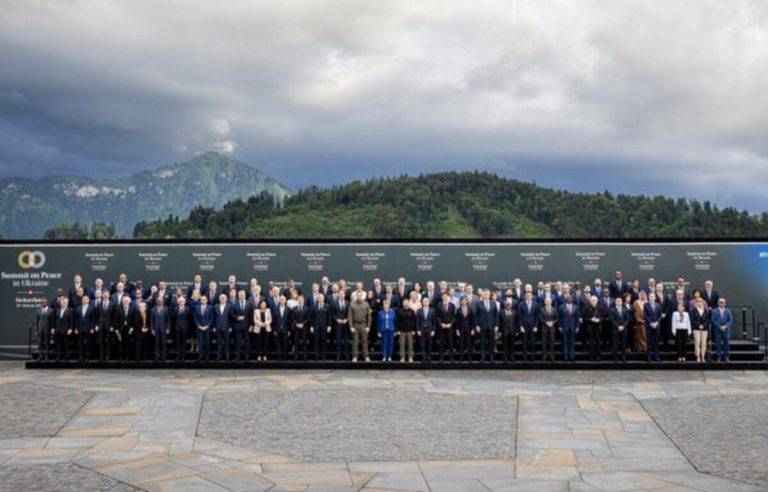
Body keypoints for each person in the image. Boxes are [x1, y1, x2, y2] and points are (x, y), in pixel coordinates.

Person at [348, 292, 372, 362]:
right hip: (355, 325)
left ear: (362, 297)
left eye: (360, 296)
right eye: (358, 296)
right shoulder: (352, 305)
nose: (359, 297)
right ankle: (355, 356)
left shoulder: (366, 304)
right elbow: (350, 316)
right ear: (356, 296)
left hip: (364, 325)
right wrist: (351, 326)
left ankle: (366, 356)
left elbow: (369, 316)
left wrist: (368, 326)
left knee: (365, 342)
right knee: (355, 342)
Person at [582, 296, 604, 361]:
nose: (594, 301)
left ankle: (598, 356)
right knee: (591, 343)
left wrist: (599, 319)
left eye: (595, 300)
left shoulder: (600, 308)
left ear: (597, 301)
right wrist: (590, 319)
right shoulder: (586, 308)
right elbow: (584, 317)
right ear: (590, 301)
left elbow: (603, 317)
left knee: (598, 343)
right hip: (590, 327)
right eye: (592, 300)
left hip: (598, 327)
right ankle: (591, 356)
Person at [517, 292, 538, 362]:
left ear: (532, 297)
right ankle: (524, 357)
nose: (528, 297)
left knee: (533, 342)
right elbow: (519, 316)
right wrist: (521, 326)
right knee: (524, 342)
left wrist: (536, 326)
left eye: (530, 296)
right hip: (524, 326)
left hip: (533, 326)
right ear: (525, 297)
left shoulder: (536, 304)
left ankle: (532, 357)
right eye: (527, 296)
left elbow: (537, 316)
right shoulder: (521, 304)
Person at [711, 297, 732, 363]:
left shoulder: (728, 311)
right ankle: (718, 357)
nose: (721, 303)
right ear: (718, 303)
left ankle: (726, 357)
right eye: (720, 302)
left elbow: (730, 320)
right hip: (717, 330)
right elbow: (713, 320)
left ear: (725, 303)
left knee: (726, 344)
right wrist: (720, 327)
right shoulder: (714, 311)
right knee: (718, 344)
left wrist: (725, 326)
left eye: (723, 302)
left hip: (726, 330)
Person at [232, 290, 251, 362]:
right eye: (240, 295)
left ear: (245, 295)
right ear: (238, 296)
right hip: (238, 326)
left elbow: (251, 315)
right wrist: (237, 317)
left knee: (247, 342)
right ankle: (238, 357)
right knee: (238, 342)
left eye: (243, 295)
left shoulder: (249, 303)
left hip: (247, 326)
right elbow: (231, 314)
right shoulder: (234, 304)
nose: (242, 296)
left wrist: (251, 325)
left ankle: (247, 357)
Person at [643, 292, 663, 362]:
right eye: (650, 297)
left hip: (657, 325)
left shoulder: (659, 305)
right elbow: (645, 315)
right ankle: (649, 356)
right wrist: (651, 323)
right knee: (649, 342)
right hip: (649, 325)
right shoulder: (645, 305)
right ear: (649, 297)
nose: (652, 298)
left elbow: (660, 315)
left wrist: (657, 323)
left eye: (653, 297)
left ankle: (656, 356)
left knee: (656, 342)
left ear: (655, 297)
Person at [558, 297, 579, 363]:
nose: (569, 299)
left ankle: (572, 356)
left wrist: (577, 327)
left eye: (570, 298)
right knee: (565, 342)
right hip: (564, 326)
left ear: (572, 300)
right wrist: (560, 326)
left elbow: (577, 318)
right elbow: (559, 317)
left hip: (573, 326)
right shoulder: (561, 306)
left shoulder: (576, 307)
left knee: (572, 342)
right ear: (566, 300)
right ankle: (565, 356)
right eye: (568, 298)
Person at [609, 297, 630, 363]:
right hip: (615, 329)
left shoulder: (625, 309)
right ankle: (615, 358)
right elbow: (612, 320)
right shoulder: (612, 310)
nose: (619, 302)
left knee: (623, 344)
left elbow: (627, 319)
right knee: (615, 344)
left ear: (622, 302)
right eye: (617, 301)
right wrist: (618, 326)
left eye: (620, 301)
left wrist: (623, 326)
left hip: (624, 329)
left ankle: (623, 357)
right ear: (615, 302)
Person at [436, 293, 456, 362]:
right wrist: (441, 324)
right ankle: (441, 358)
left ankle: (451, 358)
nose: (445, 297)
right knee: (441, 342)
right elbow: (437, 316)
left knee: (450, 342)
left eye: (446, 296)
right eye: (444, 296)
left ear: (448, 297)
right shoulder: (439, 305)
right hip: (441, 326)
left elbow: (454, 316)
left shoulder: (452, 305)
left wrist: (450, 324)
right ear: (442, 297)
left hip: (449, 327)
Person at [115, 295, 135, 362]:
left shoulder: (132, 309)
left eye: (127, 301)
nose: (126, 302)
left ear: (129, 302)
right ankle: (121, 357)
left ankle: (127, 357)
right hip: (121, 328)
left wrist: (132, 328)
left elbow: (134, 320)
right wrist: (116, 329)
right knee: (120, 343)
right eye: (124, 301)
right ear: (122, 301)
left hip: (129, 329)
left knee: (127, 343)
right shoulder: (118, 309)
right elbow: (116, 320)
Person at [311, 293, 330, 360]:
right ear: (317, 299)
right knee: (316, 341)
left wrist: (329, 326)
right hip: (316, 326)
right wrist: (311, 326)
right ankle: (317, 356)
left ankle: (324, 356)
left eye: (321, 297)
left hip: (324, 326)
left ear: (323, 298)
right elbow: (312, 317)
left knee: (324, 341)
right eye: (319, 297)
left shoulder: (327, 306)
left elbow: (329, 317)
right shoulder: (314, 306)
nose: (320, 299)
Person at [74, 295, 93, 362]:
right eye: (84, 299)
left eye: (86, 299)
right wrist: (76, 328)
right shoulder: (77, 308)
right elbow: (76, 319)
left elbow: (93, 319)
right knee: (80, 344)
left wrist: (92, 328)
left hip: (88, 328)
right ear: (82, 300)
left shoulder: (91, 308)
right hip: (80, 328)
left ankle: (87, 357)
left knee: (88, 343)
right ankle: (81, 357)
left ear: (88, 300)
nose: (85, 300)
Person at [291, 295, 310, 361]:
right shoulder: (294, 308)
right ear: (297, 300)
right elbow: (292, 318)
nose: (300, 300)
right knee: (296, 342)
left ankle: (305, 357)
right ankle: (296, 356)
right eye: (299, 299)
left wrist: (303, 324)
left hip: (304, 327)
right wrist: (296, 324)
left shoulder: (307, 308)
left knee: (304, 342)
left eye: (301, 299)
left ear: (303, 300)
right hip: (296, 327)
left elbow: (308, 318)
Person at [690, 298, 710, 363]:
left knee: (703, 343)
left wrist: (703, 325)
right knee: (697, 343)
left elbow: (707, 320)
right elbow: (693, 319)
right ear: (696, 303)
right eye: (698, 302)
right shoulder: (693, 310)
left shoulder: (705, 310)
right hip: (696, 328)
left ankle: (703, 357)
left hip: (704, 329)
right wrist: (699, 325)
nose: (699, 303)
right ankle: (698, 356)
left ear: (703, 303)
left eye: (701, 301)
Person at [455, 297, 475, 362]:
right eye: (462, 301)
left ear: (467, 302)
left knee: (469, 343)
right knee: (461, 343)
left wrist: (473, 329)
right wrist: (457, 330)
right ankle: (461, 357)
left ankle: (469, 357)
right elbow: (457, 321)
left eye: (465, 300)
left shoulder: (470, 309)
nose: (463, 302)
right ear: (461, 302)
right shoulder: (458, 310)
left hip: (469, 328)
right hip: (461, 328)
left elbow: (472, 320)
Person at [331, 291, 350, 361]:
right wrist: (337, 319)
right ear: (338, 295)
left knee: (346, 341)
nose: (341, 295)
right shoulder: (334, 303)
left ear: (344, 295)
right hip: (338, 325)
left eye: (343, 293)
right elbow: (332, 314)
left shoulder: (348, 303)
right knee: (338, 340)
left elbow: (350, 313)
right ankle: (338, 355)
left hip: (346, 325)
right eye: (340, 294)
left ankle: (347, 355)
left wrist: (347, 319)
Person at [416, 297, 436, 362]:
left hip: (430, 330)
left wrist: (433, 330)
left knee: (429, 344)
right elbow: (417, 321)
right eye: (424, 301)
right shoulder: (419, 310)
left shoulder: (432, 310)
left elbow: (434, 322)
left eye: (426, 301)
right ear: (422, 302)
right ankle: (424, 357)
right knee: (423, 344)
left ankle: (429, 357)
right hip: (421, 330)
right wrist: (418, 330)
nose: (425, 302)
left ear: (429, 302)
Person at [150, 297, 170, 362]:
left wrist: (168, 328)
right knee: (157, 344)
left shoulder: (166, 309)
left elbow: (168, 320)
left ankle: (163, 357)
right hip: (156, 329)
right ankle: (157, 357)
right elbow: (151, 320)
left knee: (163, 343)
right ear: (157, 302)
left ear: (163, 302)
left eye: (161, 301)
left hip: (163, 329)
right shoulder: (153, 309)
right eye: (158, 301)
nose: (160, 302)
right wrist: (152, 329)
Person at [213, 294, 232, 361]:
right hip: (218, 327)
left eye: (224, 298)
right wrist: (214, 326)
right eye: (221, 298)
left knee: (227, 342)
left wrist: (230, 326)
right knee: (219, 343)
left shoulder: (229, 306)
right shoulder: (215, 306)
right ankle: (219, 356)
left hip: (226, 327)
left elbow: (231, 317)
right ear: (219, 299)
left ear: (226, 299)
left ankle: (227, 356)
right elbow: (214, 317)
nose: (222, 299)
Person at [539, 296, 558, 363]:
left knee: (552, 344)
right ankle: (544, 357)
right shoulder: (541, 309)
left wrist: (552, 322)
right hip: (544, 329)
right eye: (546, 301)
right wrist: (546, 323)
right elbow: (540, 318)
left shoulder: (554, 309)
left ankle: (552, 357)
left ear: (551, 302)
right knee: (544, 344)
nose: (548, 302)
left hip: (552, 329)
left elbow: (557, 318)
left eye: (549, 301)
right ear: (544, 302)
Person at [194, 295, 213, 361]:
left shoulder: (210, 308)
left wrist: (207, 326)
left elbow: (211, 318)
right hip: (199, 328)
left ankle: (207, 357)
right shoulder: (197, 307)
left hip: (207, 328)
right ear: (200, 301)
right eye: (202, 299)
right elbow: (195, 318)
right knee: (200, 343)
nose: (203, 300)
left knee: (207, 343)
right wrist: (199, 326)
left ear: (207, 300)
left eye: (204, 299)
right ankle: (200, 356)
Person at [174, 296, 192, 362]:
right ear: (178, 302)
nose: (181, 302)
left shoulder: (188, 308)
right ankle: (178, 356)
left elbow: (189, 318)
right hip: (177, 327)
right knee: (178, 342)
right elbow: (173, 318)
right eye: (180, 301)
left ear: (184, 302)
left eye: (182, 301)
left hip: (185, 327)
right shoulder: (175, 308)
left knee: (184, 342)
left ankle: (183, 357)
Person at [499, 298, 517, 363]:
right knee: (504, 346)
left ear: (511, 305)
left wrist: (516, 331)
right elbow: (499, 322)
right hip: (504, 331)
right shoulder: (501, 312)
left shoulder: (514, 312)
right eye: (507, 304)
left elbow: (516, 322)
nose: (508, 305)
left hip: (512, 331)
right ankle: (505, 358)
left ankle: (511, 358)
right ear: (504, 305)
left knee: (512, 345)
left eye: (509, 304)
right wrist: (499, 331)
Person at [273, 295, 291, 361]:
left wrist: (289, 330)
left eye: (283, 299)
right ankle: (279, 357)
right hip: (277, 329)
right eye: (281, 299)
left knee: (285, 344)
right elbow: (274, 320)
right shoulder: (275, 309)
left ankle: (285, 357)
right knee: (278, 344)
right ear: (279, 301)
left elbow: (290, 321)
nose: (282, 301)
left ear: (285, 301)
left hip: (285, 329)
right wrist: (274, 330)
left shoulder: (288, 309)